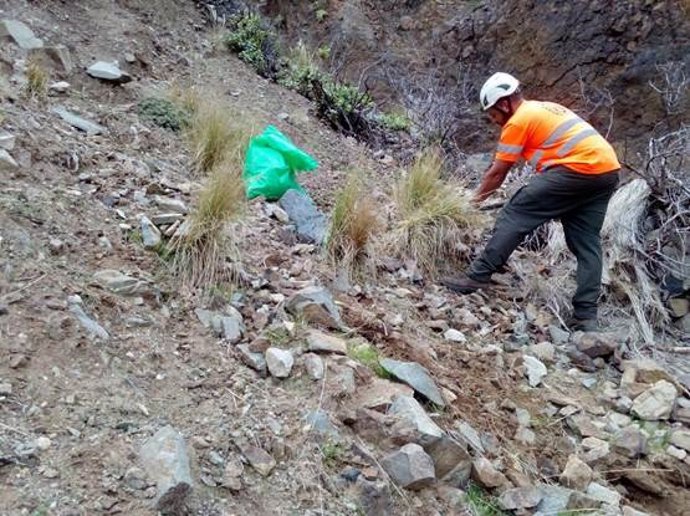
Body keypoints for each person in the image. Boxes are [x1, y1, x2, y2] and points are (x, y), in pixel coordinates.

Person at [441, 72, 620, 332]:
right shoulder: (544, 108)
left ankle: (477, 276)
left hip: (576, 169)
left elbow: (497, 173)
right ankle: (586, 316)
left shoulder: (518, 120)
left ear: (504, 104)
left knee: (515, 213)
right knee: (586, 243)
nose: (493, 121)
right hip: (606, 173)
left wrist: (473, 202)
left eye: (493, 114)